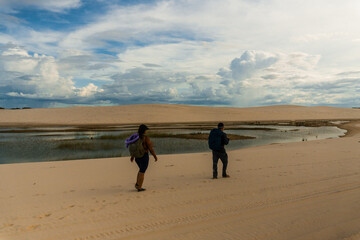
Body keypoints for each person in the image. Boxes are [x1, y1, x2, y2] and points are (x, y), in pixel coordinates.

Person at [126, 124, 158, 192]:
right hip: (144, 156)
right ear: (144, 131)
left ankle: (137, 184)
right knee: (142, 171)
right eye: (146, 130)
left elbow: (135, 148)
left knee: (140, 170)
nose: (146, 131)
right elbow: (150, 148)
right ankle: (139, 187)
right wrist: (155, 156)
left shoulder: (136, 137)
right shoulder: (145, 138)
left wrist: (132, 156)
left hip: (137, 157)